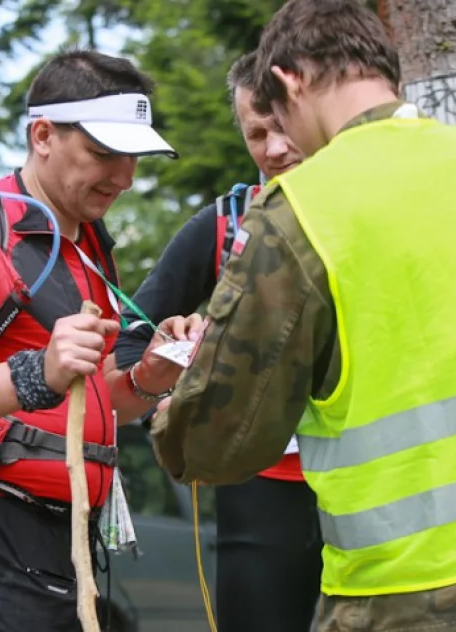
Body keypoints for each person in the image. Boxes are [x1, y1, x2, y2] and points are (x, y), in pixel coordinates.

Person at [149, 2, 456, 631]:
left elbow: (216, 442)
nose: (283, 144)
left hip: (418, 587)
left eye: (277, 118)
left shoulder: (303, 210)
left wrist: (169, 413)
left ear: (289, 81)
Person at [0, 49, 197, 632]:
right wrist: (39, 372)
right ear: (43, 135)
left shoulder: (89, 244)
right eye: (104, 153)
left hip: (71, 544)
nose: (125, 177)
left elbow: (94, 401)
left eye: (133, 156)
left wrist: (149, 377)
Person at [105, 51, 322, 632]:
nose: (274, 148)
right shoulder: (224, 223)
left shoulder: (377, 212)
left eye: (284, 126)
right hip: (261, 483)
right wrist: (178, 357)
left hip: (373, 478)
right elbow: (128, 346)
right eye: (257, 132)